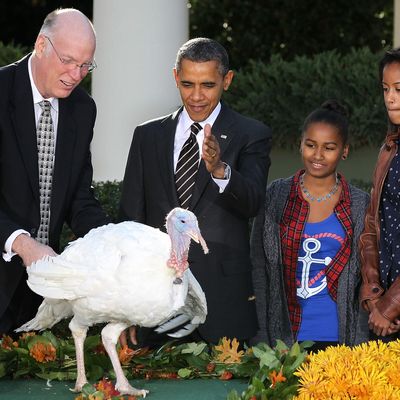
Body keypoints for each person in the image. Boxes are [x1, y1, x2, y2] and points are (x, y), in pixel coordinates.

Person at [119, 37, 271, 345]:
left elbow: (253, 201)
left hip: (225, 304)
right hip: (157, 303)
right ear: (175, 76)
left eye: (208, 85)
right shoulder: (147, 136)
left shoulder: (251, 134)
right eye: (187, 84)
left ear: (227, 80)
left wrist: (220, 170)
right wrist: (123, 308)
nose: (197, 96)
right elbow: (130, 224)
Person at [0, 8, 109, 335]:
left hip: (41, 297)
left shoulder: (83, 108)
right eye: (68, 61)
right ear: (41, 45)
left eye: (85, 66)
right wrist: (22, 243)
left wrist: (113, 240)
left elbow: (79, 199)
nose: (76, 75)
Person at [251, 100, 369, 350]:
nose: (318, 155)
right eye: (311, 145)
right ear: (300, 144)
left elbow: (366, 281)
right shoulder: (275, 196)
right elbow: (259, 270)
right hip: (284, 339)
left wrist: (359, 344)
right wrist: (261, 338)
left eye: (329, 147)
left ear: (344, 151)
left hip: (339, 338)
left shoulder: (360, 205)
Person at [360, 47, 400, 339]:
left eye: (399, 89)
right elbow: (372, 226)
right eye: (385, 88)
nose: (390, 97)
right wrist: (373, 294)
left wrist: (389, 307)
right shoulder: (389, 150)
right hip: (384, 312)